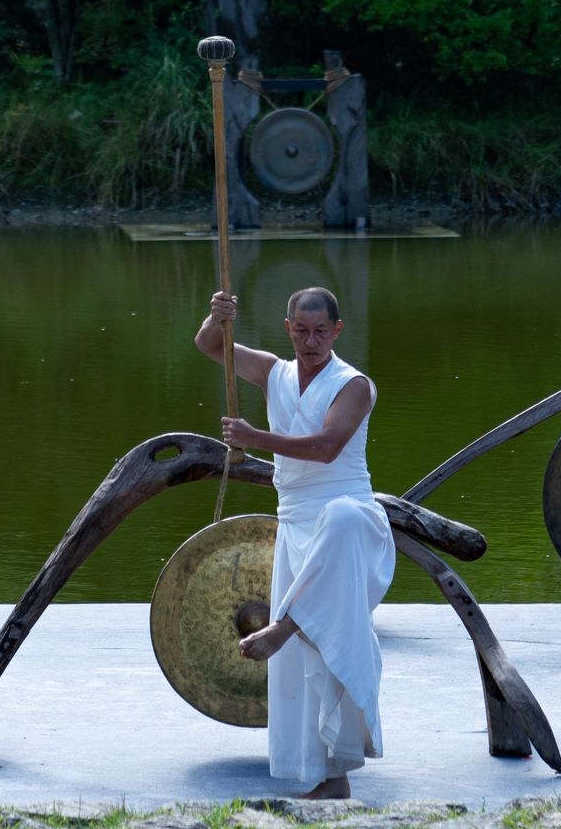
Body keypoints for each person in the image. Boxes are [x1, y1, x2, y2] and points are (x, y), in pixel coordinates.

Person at [197, 285, 394, 799]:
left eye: (320, 332)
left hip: (346, 523)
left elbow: (328, 448)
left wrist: (253, 439)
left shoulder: (353, 385)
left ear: (337, 331)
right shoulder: (274, 373)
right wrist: (217, 318)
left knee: (343, 519)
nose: (310, 341)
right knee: (310, 663)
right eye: (301, 331)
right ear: (288, 329)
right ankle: (328, 779)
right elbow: (212, 348)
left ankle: (283, 626)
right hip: (296, 523)